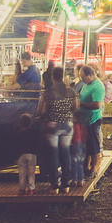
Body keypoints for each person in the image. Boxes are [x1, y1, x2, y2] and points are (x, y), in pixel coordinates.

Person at [36, 66, 77, 195]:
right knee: (65, 153)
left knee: (53, 155)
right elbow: (75, 106)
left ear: (53, 77)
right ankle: (66, 184)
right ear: (63, 76)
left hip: (53, 125)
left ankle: (54, 185)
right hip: (67, 125)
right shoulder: (71, 92)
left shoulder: (48, 93)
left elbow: (41, 110)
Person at [77, 65, 105, 177]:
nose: (81, 79)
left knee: (93, 145)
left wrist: (81, 104)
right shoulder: (86, 84)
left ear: (89, 75)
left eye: (83, 77)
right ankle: (87, 165)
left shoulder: (97, 86)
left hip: (93, 119)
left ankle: (94, 168)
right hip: (85, 119)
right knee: (87, 144)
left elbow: (97, 104)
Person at [16, 113, 40, 196]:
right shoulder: (34, 133)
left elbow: (16, 146)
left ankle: (21, 189)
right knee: (31, 173)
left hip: (21, 155)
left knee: (22, 173)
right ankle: (31, 189)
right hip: (32, 154)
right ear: (30, 123)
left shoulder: (18, 134)